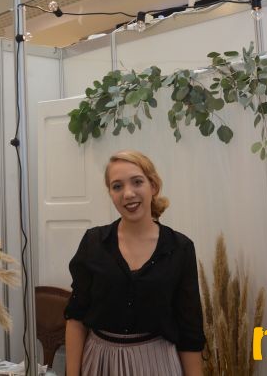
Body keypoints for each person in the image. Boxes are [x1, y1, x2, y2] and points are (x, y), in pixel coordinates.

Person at [64, 151, 205, 376]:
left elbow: (190, 330)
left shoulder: (180, 248)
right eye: (117, 186)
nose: (128, 194)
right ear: (111, 194)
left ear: (153, 186)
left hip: (158, 365)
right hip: (100, 364)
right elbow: (76, 318)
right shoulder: (93, 242)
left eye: (137, 182)